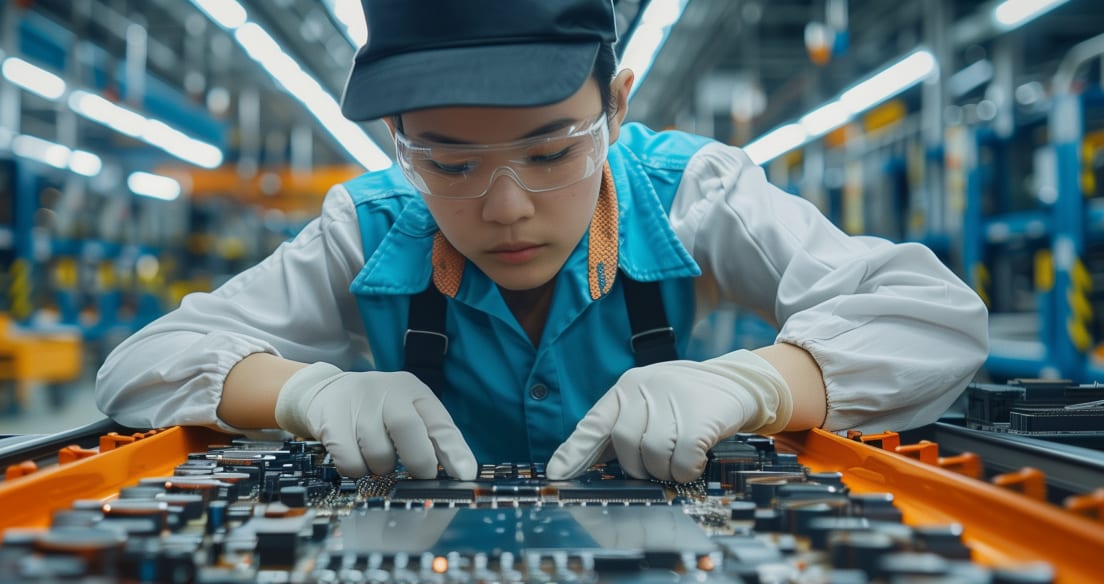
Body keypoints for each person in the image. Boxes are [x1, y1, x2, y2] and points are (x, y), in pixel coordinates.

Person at [95, 0, 988, 485]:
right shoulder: (366, 227)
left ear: (618, 107)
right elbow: (147, 364)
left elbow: (933, 320)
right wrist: (307, 394)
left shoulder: (691, 193)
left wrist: (752, 383)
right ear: (398, 146)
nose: (507, 207)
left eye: (552, 150)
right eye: (448, 163)